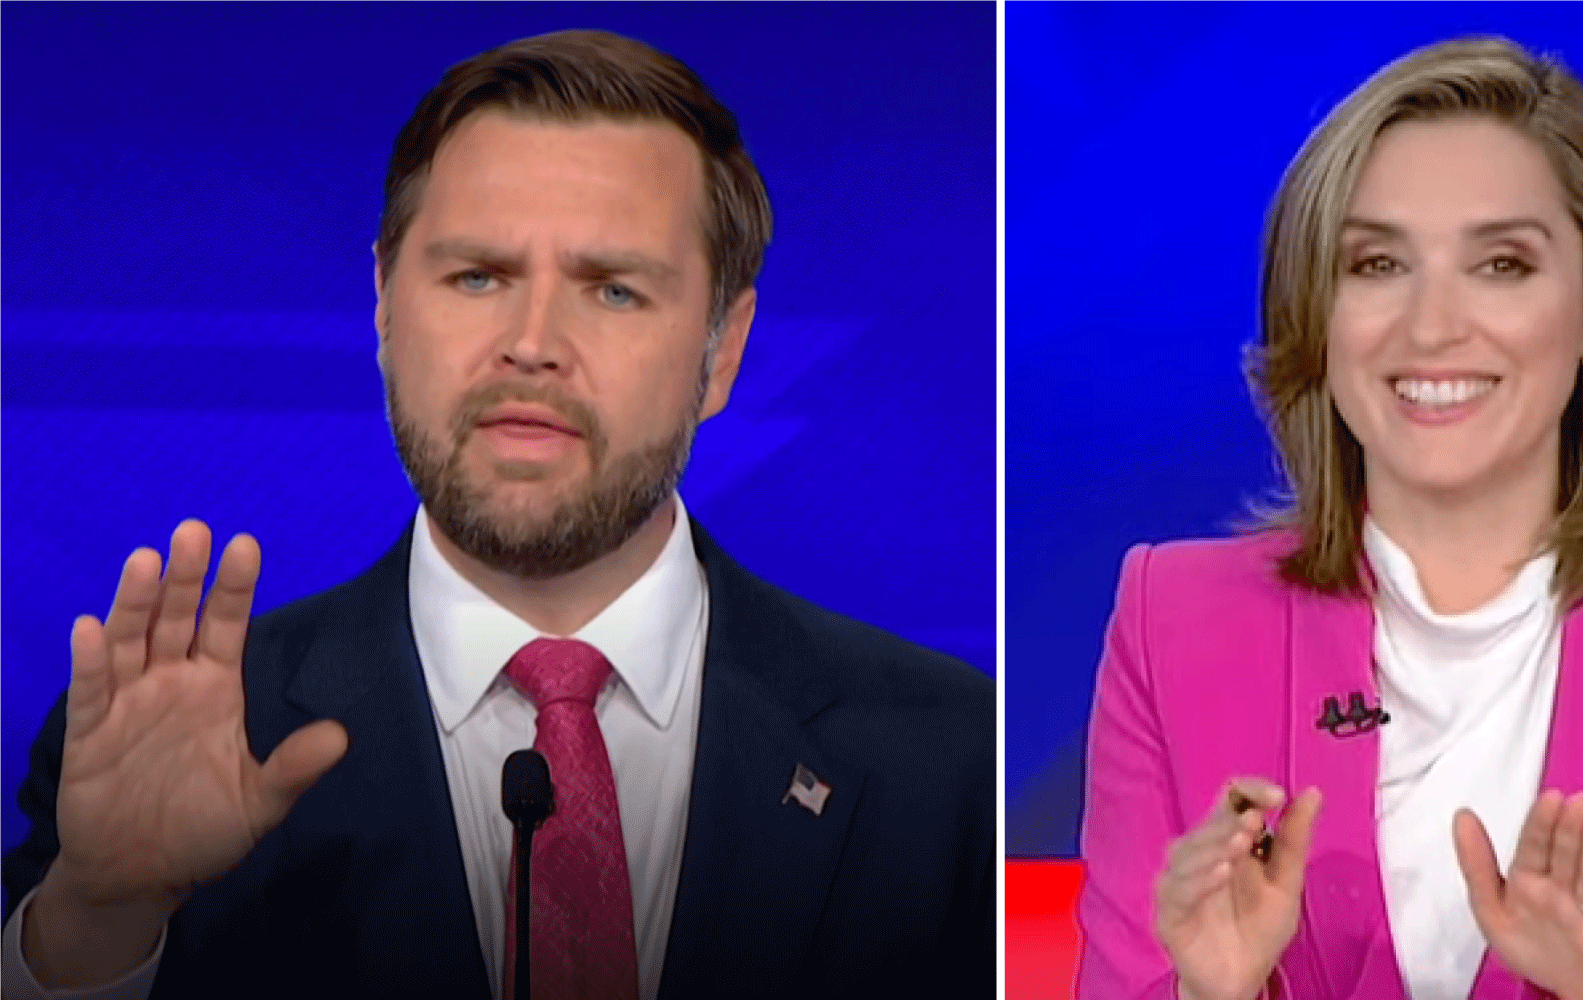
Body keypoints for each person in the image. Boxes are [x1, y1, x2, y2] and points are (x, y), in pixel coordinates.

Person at [1, 29, 994, 1000]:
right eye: (477, 276)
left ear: (722, 348)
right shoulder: (170, 739)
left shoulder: (949, 761)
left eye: (611, 290)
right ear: (385, 303)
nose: (531, 343)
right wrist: (99, 924)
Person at [1076, 36, 1583, 1000]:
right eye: (1376, 264)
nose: (1432, 326)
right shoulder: (1171, 621)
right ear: (1317, 311)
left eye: (1501, 265)